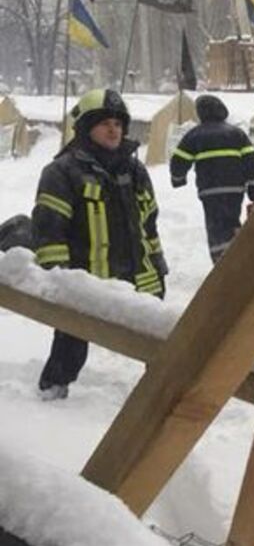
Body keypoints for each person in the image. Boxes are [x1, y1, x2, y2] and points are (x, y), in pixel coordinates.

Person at [31, 89, 167, 400]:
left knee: (161, 349)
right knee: (71, 343)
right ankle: (51, 393)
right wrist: (60, 278)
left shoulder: (134, 171)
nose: (113, 129)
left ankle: (160, 401)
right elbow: (50, 231)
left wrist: (158, 268)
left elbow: (149, 224)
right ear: (85, 128)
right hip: (86, 282)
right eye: (105, 122)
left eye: (118, 124)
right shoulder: (61, 172)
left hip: (140, 279)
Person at [169, 94, 254, 263]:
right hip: (235, 190)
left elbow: (178, 160)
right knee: (231, 220)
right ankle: (239, 254)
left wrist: (178, 179)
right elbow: (252, 162)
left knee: (216, 227)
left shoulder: (195, 135)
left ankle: (223, 263)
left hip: (210, 191)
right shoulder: (237, 134)